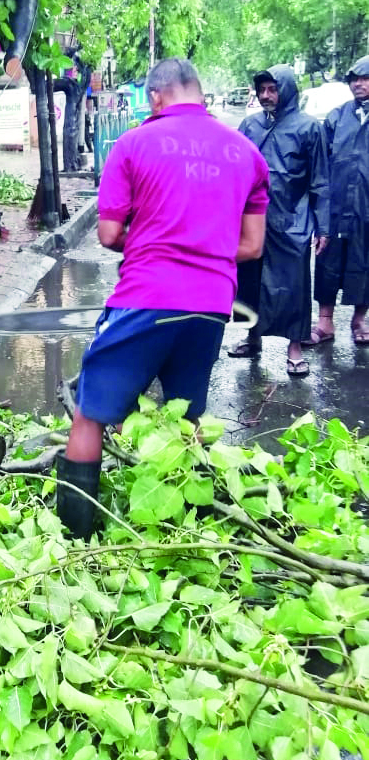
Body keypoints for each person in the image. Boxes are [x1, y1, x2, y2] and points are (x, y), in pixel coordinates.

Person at [57, 58, 269, 539]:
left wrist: (160, 240)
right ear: (197, 90)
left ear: (156, 96)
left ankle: (70, 540)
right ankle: (186, 531)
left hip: (148, 296)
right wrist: (202, 243)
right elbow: (252, 246)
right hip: (212, 303)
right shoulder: (246, 153)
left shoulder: (133, 144)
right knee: (187, 414)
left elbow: (110, 234)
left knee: (91, 410)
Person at [228, 65, 329, 377]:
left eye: (272, 89)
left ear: (286, 89)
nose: (266, 96)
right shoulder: (250, 125)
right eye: (262, 90)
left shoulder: (308, 128)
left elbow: (321, 180)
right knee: (249, 281)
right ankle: (251, 337)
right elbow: (233, 172)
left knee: (293, 286)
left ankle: (294, 348)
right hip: (252, 219)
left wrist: (321, 224)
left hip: (292, 220)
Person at [305, 56, 369, 347]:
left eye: (365, 78)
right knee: (328, 262)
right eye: (354, 78)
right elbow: (319, 166)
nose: (358, 83)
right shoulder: (336, 117)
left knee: (365, 260)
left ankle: (359, 320)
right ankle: (325, 323)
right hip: (336, 205)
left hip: (366, 208)